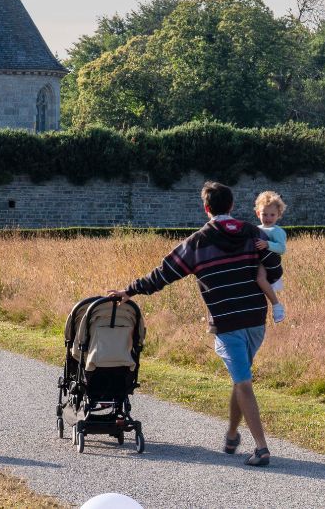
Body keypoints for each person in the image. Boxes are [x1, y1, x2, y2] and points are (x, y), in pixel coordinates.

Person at [105, 181, 283, 466]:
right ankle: (233, 432)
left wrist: (130, 290)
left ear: (206, 208)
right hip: (255, 319)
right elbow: (275, 268)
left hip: (226, 322)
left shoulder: (197, 242)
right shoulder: (253, 233)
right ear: (232, 206)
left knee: (243, 382)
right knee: (241, 378)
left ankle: (261, 448)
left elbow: (164, 274)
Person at [254, 191, 288, 323]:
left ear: (278, 215)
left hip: (267, 264)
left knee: (260, 279)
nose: (268, 218)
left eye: (272, 215)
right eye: (264, 214)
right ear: (258, 214)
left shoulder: (277, 231)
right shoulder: (256, 228)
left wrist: (267, 244)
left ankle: (276, 306)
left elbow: (281, 248)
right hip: (256, 261)